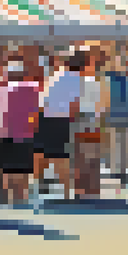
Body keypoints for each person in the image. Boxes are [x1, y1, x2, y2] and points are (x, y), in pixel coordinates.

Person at [35, 51, 81, 202]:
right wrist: (74, 120)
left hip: (43, 116)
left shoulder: (55, 75)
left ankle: (38, 186)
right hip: (59, 119)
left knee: (42, 153)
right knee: (62, 156)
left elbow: (44, 97)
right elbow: (74, 105)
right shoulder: (75, 79)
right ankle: (67, 193)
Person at [0, 62, 39, 206]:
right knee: (23, 171)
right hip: (24, 133)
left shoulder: (1, 90)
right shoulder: (32, 88)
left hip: (3, 134)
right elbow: (37, 111)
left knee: (7, 171)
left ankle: (7, 202)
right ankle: (21, 201)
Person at [72, 52, 107, 199]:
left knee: (79, 156)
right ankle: (93, 189)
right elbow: (102, 106)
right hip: (93, 120)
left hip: (79, 119)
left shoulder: (74, 82)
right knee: (92, 157)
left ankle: (80, 189)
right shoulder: (94, 83)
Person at [104, 55, 128, 189]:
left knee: (124, 146)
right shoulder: (109, 80)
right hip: (112, 116)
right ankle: (115, 170)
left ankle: (123, 171)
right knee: (114, 144)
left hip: (125, 117)